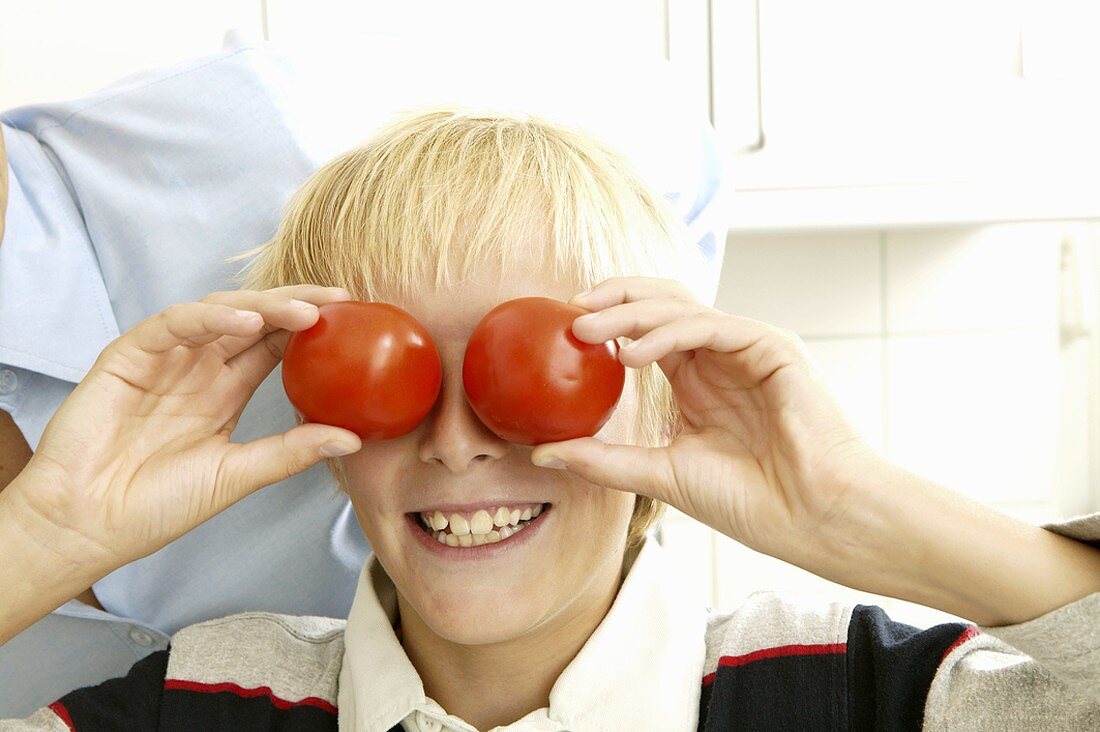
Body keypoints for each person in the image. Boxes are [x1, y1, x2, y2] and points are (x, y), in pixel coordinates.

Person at [2, 107, 1099, 732]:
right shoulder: (206, 712)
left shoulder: (857, 696)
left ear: (658, 392)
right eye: (384, 381)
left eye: (529, 373)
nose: (455, 440)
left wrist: (854, 508)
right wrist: (49, 536)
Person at [0, 36, 728, 714]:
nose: (453, 443)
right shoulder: (173, 706)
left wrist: (654, 405)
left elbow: (668, 173)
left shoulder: (254, 139)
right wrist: (43, 544)